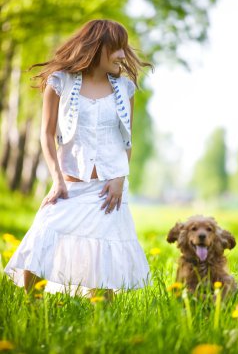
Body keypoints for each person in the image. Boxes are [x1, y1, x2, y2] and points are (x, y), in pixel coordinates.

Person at [4, 19, 153, 299]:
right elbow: (46, 135)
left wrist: (120, 178)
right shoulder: (61, 81)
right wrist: (57, 180)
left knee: (103, 257)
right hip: (70, 183)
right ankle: (32, 308)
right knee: (44, 236)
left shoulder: (125, 88)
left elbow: (127, 140)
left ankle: (102, 324)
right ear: (98, 48)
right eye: (117, 49)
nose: (123, 55)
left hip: (109, 189)